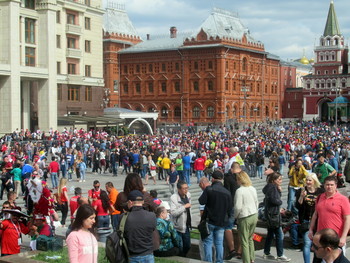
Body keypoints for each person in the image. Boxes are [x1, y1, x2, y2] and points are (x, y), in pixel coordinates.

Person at [308, 175, 350, 263]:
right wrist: (311, 229)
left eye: (331, 185)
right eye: (327, 185)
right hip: (321, 238)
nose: (329, 187)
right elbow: (315, 215)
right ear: (324, 185)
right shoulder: (320, 197)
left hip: (335, 238)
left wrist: (343, 237)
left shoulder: (343, 199)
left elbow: (347, 219)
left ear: (336, 185)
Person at [199, 170, 232, 263]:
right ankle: (219, 261)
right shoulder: (227, 192)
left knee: (208, 243)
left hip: (210, 220)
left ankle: (208, 261)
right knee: (219, 243)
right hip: (222, 221)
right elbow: (230, 208)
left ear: (212, 179)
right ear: (221, 179)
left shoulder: (209, 189)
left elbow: (201, 201)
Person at [293, 173, 323, 263]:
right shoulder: (302, 190)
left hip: (318, 221)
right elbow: (297, 206)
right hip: (306, 220)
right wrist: (302, 196)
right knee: (307, 243)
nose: (308, 182)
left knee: (318, 244)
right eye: (307, 180)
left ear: (314, 181)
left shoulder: (320, 191)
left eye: (310, 180)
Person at [262, 172, 291, 262]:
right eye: (279, 179)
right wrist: (280, 200)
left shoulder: (269, 187)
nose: (281, 181)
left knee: (270, 234)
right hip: (273, 214)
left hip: (270, 213)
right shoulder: (273, 188)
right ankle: (280, 254)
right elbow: (275, 200)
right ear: (274, 180)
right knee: (279, 234)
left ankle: (266, 252)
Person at [124, 190, 157, 263]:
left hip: (132, 256)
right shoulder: (151, 216)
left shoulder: (124, 218)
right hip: (148, 255)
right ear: (142, 202)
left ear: (130, 202)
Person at [234, 171, 258, 263]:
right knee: (250, 238)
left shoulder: (239, 191)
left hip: (245, 216)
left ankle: (247, 260)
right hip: (254, 214)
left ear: (240, 180)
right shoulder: (252, 188)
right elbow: (256, 202)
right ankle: (252, 258)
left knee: (244, 241)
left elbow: (238, 207)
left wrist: (236, 216)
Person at [170, 181, 192, 257]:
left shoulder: (188, 195)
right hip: (178, 226)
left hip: (186, 225)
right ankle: (181, 258)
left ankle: (183, 256)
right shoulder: (174, 198)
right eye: (184, 188)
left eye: (187, 188)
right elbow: (173, 213)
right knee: (180, 246)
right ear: (178, 189)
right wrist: (184, 207)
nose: (186, 190)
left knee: (187, 245)